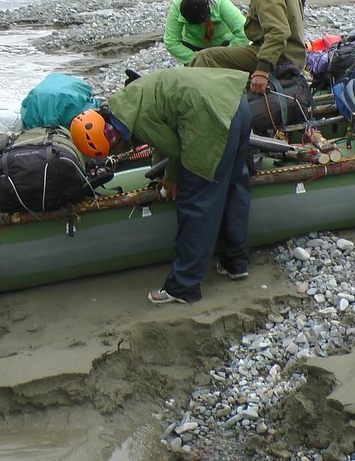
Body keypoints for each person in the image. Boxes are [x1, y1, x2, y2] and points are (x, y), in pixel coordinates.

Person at [68, 67, 253, 304]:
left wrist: (172, 178)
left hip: (212, 119)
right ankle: (236, 262)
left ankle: (184, 287)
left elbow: (175, 151)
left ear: (112, 144)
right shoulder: (126, 102)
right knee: (234, 185)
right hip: (234, 101)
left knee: (196, 202)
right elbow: (162, 132)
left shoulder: (140, 119)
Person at [163, 0, 249, 65]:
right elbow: (171, 41)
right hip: (192, 47)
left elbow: (244, 31)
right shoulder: (178, 3)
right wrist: (196, 60)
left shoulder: (219, 0)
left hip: (222, 46)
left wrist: (223, 58)